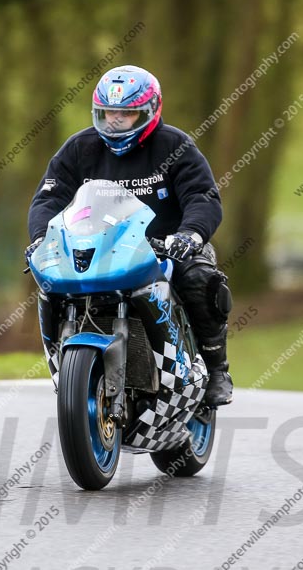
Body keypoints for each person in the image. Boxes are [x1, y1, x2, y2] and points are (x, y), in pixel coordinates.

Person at [26, 65, 233, 406]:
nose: (115, 123)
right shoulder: (80, 148)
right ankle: (62, 359)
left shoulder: (175, 145)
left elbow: (203, 197)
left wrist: (190, 235)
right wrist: (40, 238)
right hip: (100, 248)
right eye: (108, 114)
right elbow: (49, 197)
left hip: (167, 249)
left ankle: (216, 369)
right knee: (51, 285)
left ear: (151, 111)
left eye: (127, 115)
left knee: (200, 278)